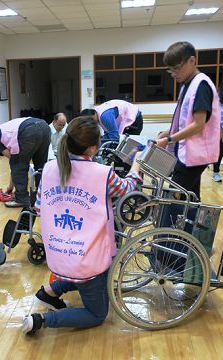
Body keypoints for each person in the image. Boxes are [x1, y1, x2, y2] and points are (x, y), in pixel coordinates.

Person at [21, 116, 143, 335]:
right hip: (87, 258)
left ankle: (48, 292)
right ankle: (42, 320)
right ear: (93, 148)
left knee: (87, 276)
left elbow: (39, 207)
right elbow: (128, 188)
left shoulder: (48, 169)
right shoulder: (102, 174)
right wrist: (137, 164)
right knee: (97, 314)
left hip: (59, 253)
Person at [155, 41, 221, 201]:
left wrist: (169, 139)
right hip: (189, 153)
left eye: (177, 68)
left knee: (173, 198)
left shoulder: (201, 85)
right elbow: (185, 119)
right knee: (190, 199)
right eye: (170, 70)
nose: (174, 73)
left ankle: (173, 226)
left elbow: (198, 124)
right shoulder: (187, 85)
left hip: (195, 155)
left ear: (192, 60)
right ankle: (194, 225)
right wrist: (169, 132)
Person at [0, 117, 51, 208]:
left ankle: (22, 199)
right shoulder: (3, 130)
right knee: (40, 165)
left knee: (18, 165)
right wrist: (10, 187)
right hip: (44, 126)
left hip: (29, 130)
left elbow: (15, 162)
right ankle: (43, 195)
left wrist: (10, 186)